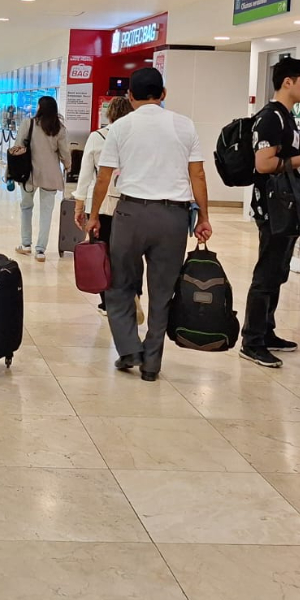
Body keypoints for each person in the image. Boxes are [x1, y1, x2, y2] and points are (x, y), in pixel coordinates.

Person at [87, 69, 212, 381]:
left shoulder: (120, 127)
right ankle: (152, 363)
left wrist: (92, 216)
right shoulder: (184, 125)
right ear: (163, 93)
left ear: (129, 97)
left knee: (119, 285)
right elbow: (197, 174)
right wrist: (205, 217)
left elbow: (103, 178)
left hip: (130, 214)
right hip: (173, 218)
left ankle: (129, 349)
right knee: (162, 291)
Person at [242, 57, 300, 367]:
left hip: (286, 205)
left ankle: (266, 330)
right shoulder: (271, 118)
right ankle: (251, 339)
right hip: (273, 206)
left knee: (278, 270)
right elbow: (263, 164)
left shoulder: (286, 117)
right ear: (287, 82)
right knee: (267, 272)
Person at [75, 96, 134, 313]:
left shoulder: (97, 137)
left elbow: (85, 175)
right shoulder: (135, 138)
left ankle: (106, 300)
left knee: (102, 251)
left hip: (101, 205)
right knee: (127, 252)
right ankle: (130, 294)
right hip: (129, 203)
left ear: (109, 115)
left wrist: (79, 205)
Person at [14, 95, 72, 261]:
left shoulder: (29, 123)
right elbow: (65, 152)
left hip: (29, 173)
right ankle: (40, 250)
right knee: (46, 212)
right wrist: (67, 165)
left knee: (26, 208)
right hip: (50, 174)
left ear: (40, 108)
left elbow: (18, 146)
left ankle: (25, 244)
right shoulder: (59, 128)